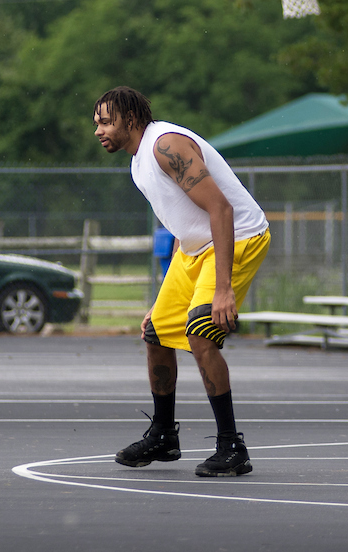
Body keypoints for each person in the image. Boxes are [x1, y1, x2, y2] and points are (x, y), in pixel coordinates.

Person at [92, 86, 271, 477]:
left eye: (106, 121)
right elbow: (182, 223)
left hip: (237, 237)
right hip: (194, 248)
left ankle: (232, 447)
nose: (98, 130)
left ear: (131, 120)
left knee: (200, 334)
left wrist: (223, 289)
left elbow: (220, 208)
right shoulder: (137, 162)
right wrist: (163, 299)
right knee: (156, 332)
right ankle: (163, 436)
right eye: (96, 124)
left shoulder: (165, 146)